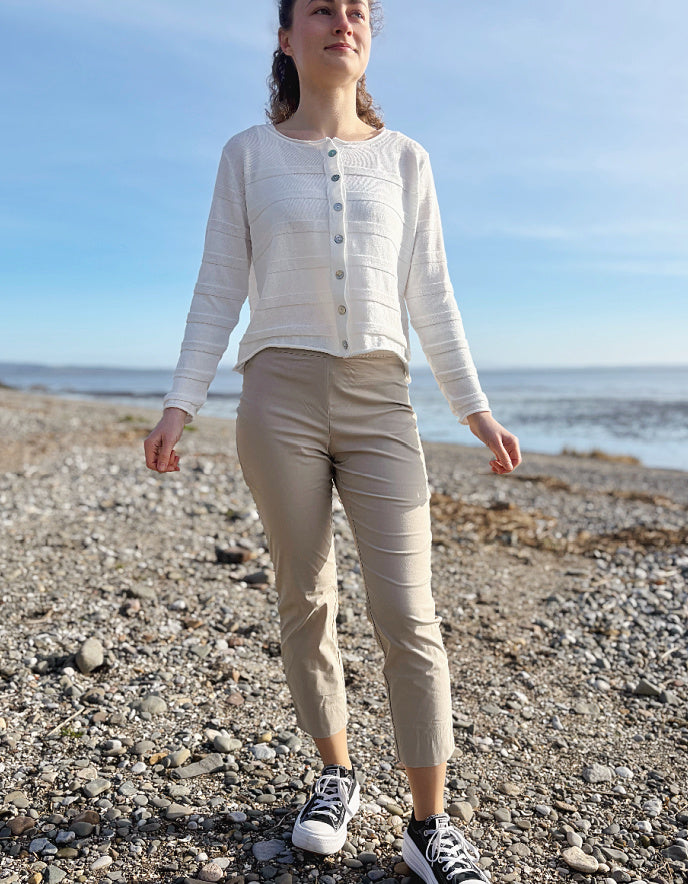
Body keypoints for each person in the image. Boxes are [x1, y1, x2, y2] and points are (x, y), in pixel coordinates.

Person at [144, 1, 521, 881]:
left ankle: (429, 826)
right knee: (305, 596)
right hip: (277, 394)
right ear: (287, 37)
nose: (341, 21)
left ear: (368, 35)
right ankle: (335, 772)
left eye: (356, 10)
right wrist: (179, 403)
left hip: (381, 398)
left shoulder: (406, 160)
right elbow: (216, 289)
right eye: (320, 7)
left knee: (409, 613)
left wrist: (473, 407)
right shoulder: (247, 155)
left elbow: (432, 293)